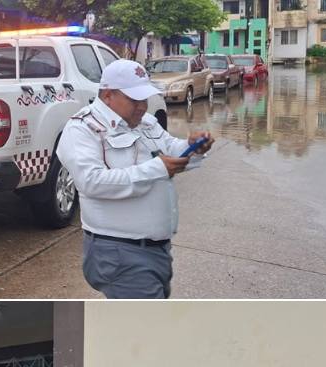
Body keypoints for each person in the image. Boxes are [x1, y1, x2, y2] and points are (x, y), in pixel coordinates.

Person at [57, 59, 214, 299]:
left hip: (155, 250)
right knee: (148, 331)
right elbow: (91, 181)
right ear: (108, 95)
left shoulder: (146, 122)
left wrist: (192, 147)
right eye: (134, 99)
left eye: (145, 98)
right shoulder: (83, 128)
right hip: (120, 253)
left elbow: (170, 148)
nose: (142, 106)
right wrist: (157, 168)